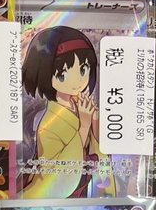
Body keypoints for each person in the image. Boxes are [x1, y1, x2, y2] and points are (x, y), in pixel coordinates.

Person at [21, 26, 114, 198]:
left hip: (85, 187)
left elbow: (102, 150)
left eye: (83, 70)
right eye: (62, 75)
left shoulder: (82, 106)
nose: (77, 81)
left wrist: (95, 121)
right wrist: (84, 126)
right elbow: (57, 178)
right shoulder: (47, 125)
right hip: (62, 195)